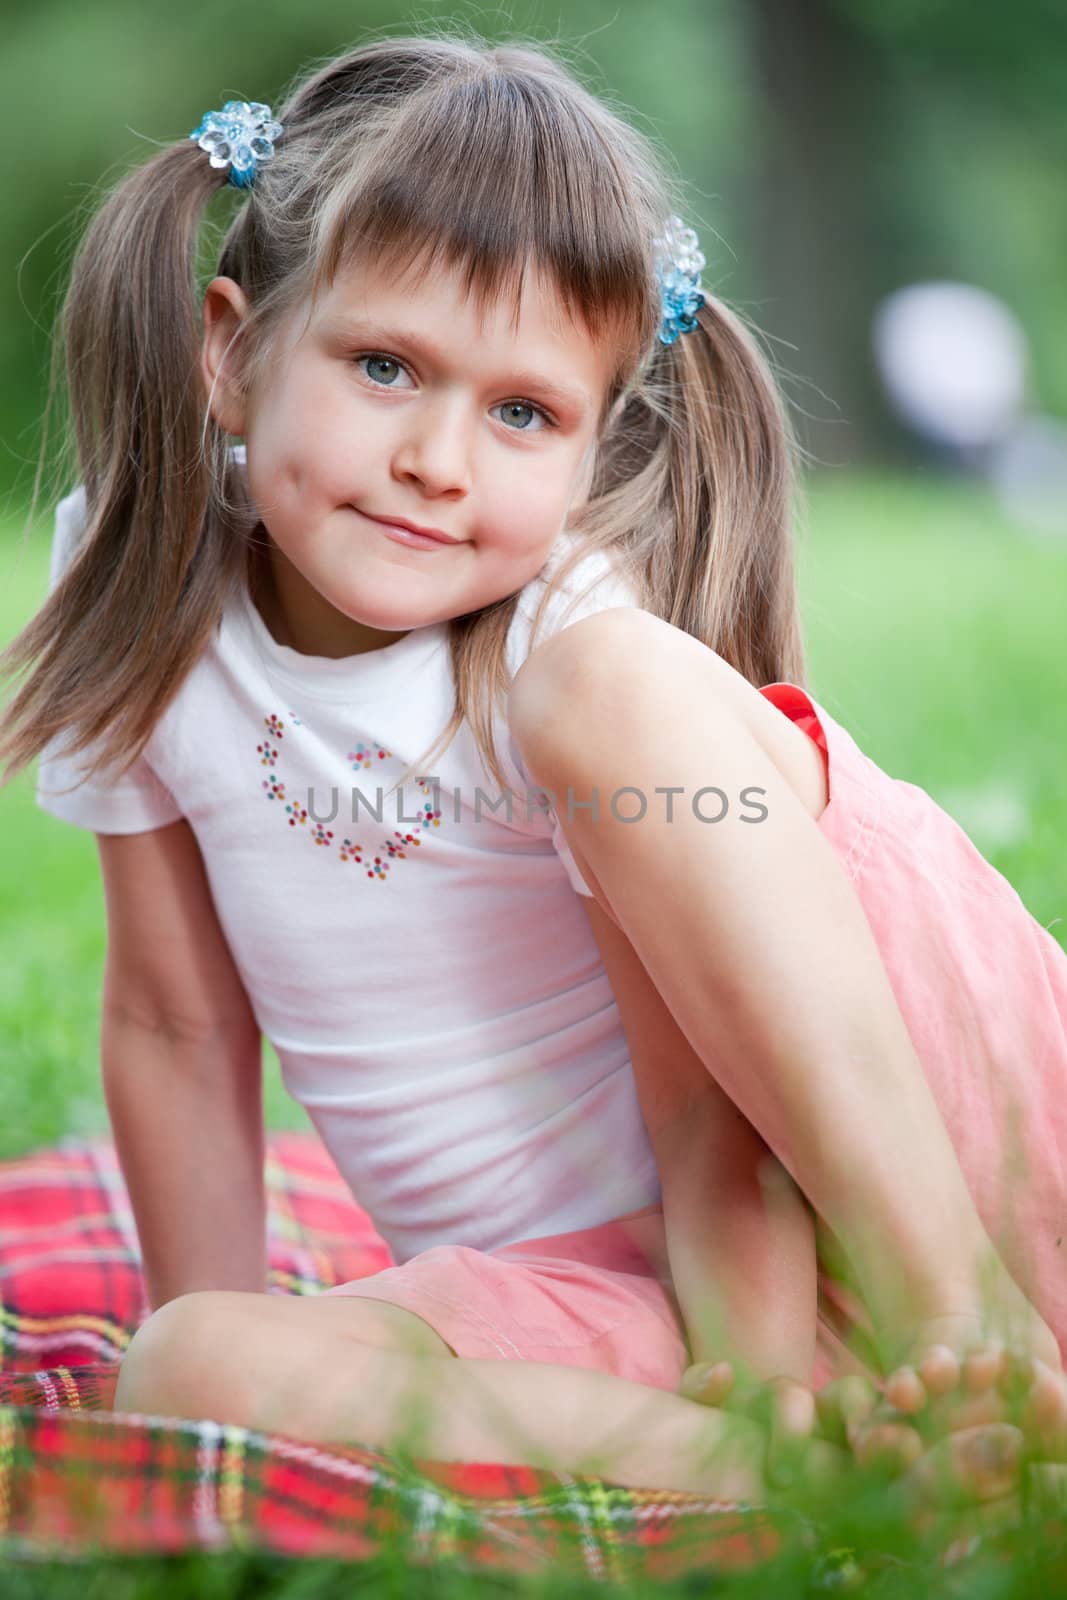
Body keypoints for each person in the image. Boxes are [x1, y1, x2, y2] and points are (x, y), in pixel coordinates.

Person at [4, 32, 1067, 1514]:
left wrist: (787, 1336)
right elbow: (176, 1022)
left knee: (620, 684)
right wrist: (217, 1354)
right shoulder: (142, 579)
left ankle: (974, 1338)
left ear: (588, 449)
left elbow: (713, 1120)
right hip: (605, 1298)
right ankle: (788, 1465)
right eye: (385, 367)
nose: (442, 456)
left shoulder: (565, 653)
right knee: (185, 1365)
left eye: (522, 414)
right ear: (234, 351)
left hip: (912, 1133)